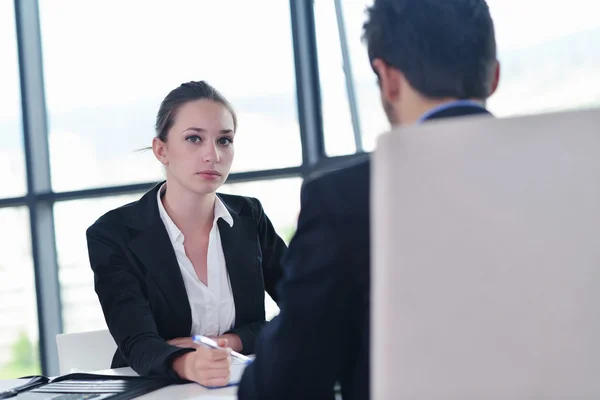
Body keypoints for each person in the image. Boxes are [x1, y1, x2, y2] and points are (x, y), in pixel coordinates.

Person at [238, 0, 501, 398]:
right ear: (493, 75)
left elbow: (285, 383)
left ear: (388, 78)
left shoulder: (347, 201)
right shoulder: (580, 172)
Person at [86, 81, 287, 387]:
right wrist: (188, 363)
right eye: (194, 138)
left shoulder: (250, 217)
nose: (212, 155)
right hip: (157, 390)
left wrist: (231, 342)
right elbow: (137, 342)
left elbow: (306, 307)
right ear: (161, 150)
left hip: (238, 386)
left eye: (224, 140)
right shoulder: (114, 234)